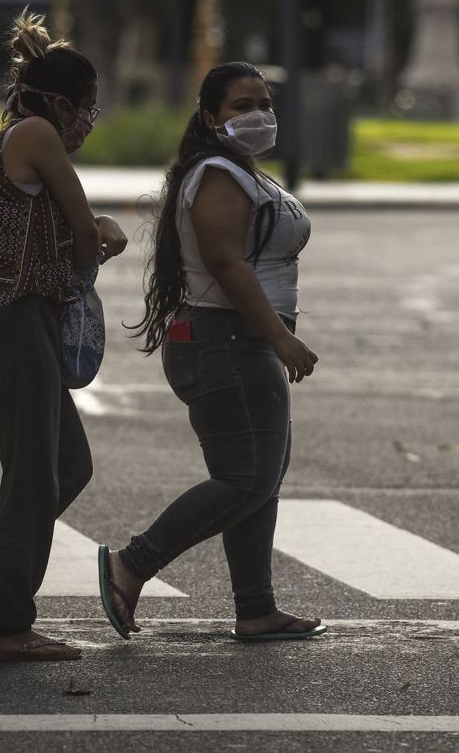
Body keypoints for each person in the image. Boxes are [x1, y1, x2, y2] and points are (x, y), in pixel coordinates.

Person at [0, 9, 128, 661]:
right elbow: (80, 234)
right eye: (88, 108)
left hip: (14, 322)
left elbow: (69, 226)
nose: (89, 123)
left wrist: (90, 229)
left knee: (67, 464)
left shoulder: (21, 138)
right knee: (37, 473)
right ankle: (10, 621)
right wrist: (102, 230)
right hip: (10, 320)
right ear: (64, 104)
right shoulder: (36, 133)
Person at [100, 61, 325, 642]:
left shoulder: (240, 172)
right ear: (209, 117)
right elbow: (225, 263)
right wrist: (279, 335)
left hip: (238, 338)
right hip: (228, 339)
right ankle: (132, 564)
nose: (258, 115)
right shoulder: (219, 173)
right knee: (246, 478)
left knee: (259, 479)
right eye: (241, 105)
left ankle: (256, 609)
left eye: (264, 103)